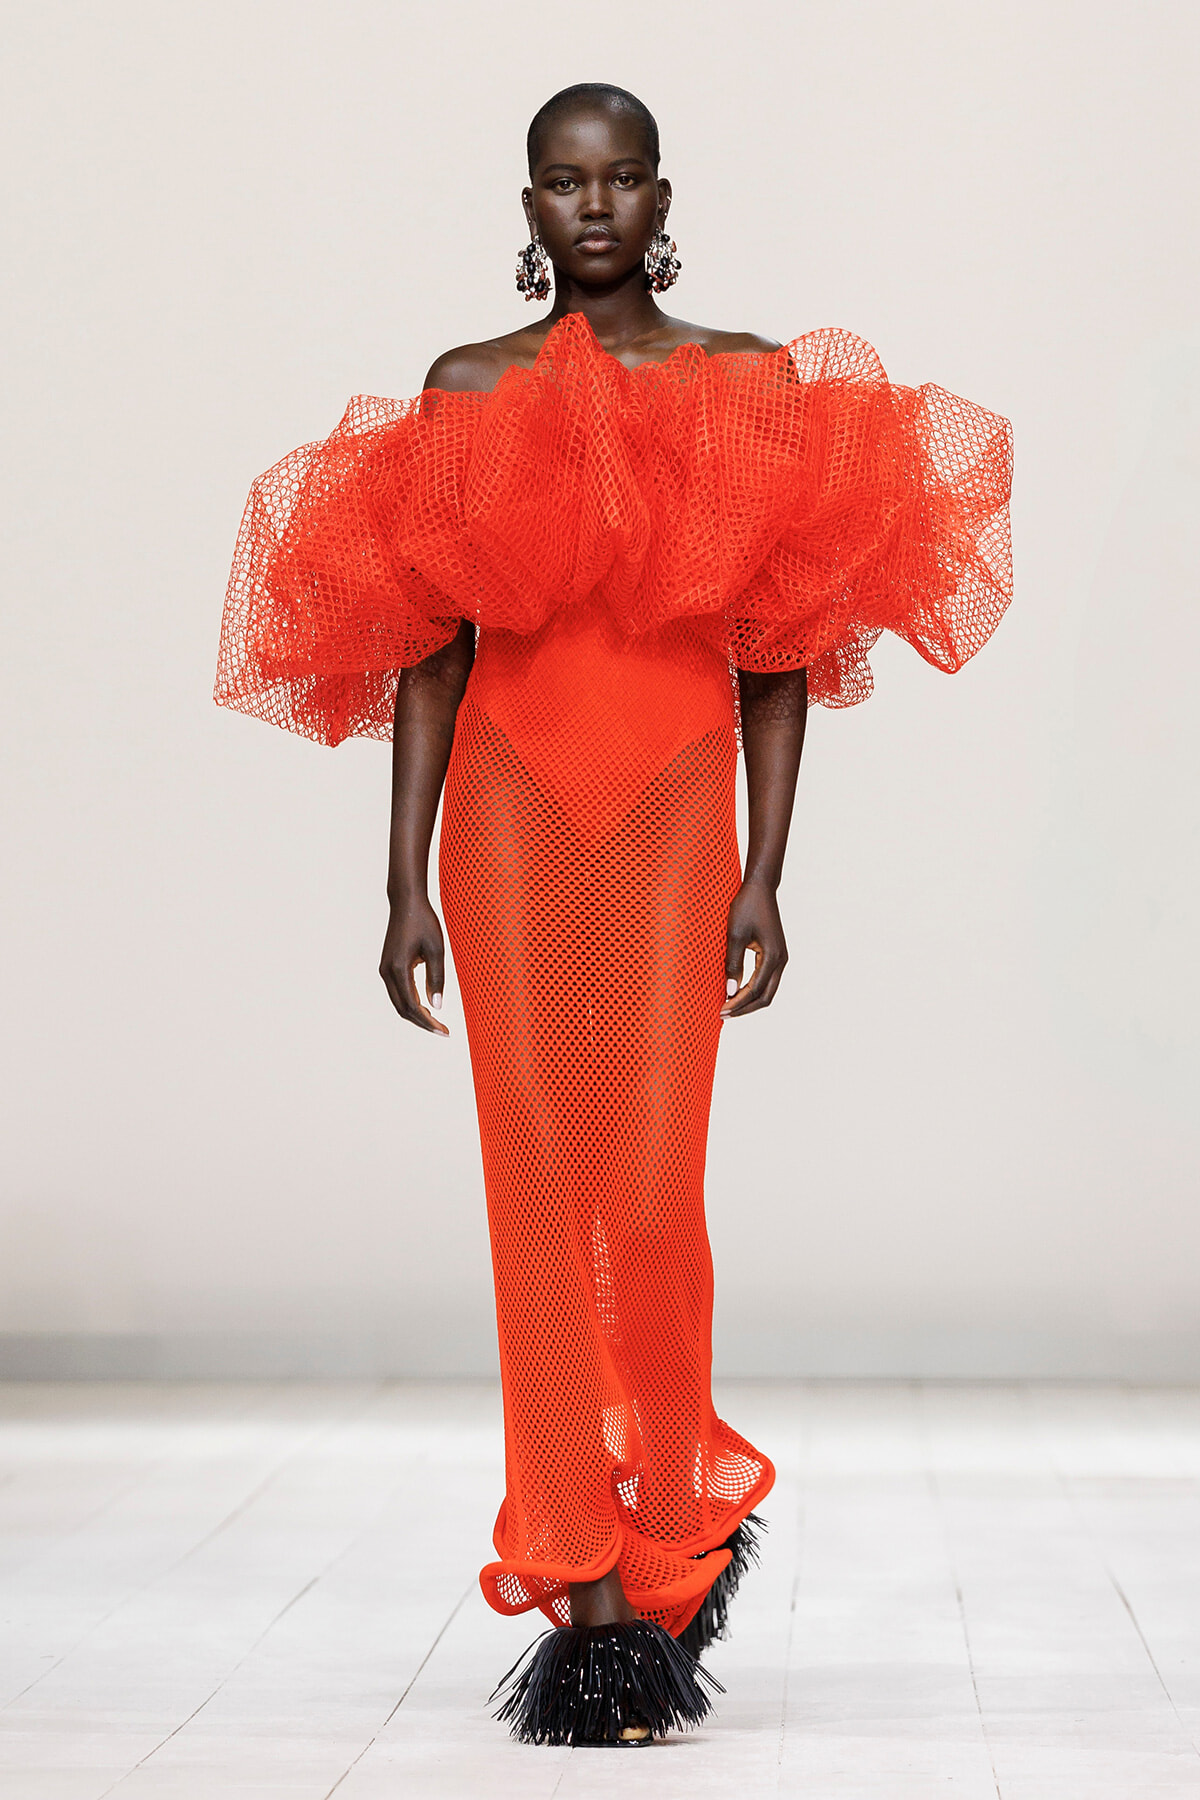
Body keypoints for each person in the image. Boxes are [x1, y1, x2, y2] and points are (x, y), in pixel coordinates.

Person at [215, 82, 1013, 1748]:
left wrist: (766, 876)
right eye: (565, 183)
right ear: (528, 205)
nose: (595, 207)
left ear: (664, 196)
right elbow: (429, 651)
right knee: (534, 1177)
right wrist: (400, 877)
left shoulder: (747, 387)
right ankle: (584, 1590)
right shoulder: (468, 390)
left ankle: (667, 1520)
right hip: (507, 822)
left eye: (623, 177)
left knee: (649, 1188)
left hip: (669, 818)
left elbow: (781, 654)